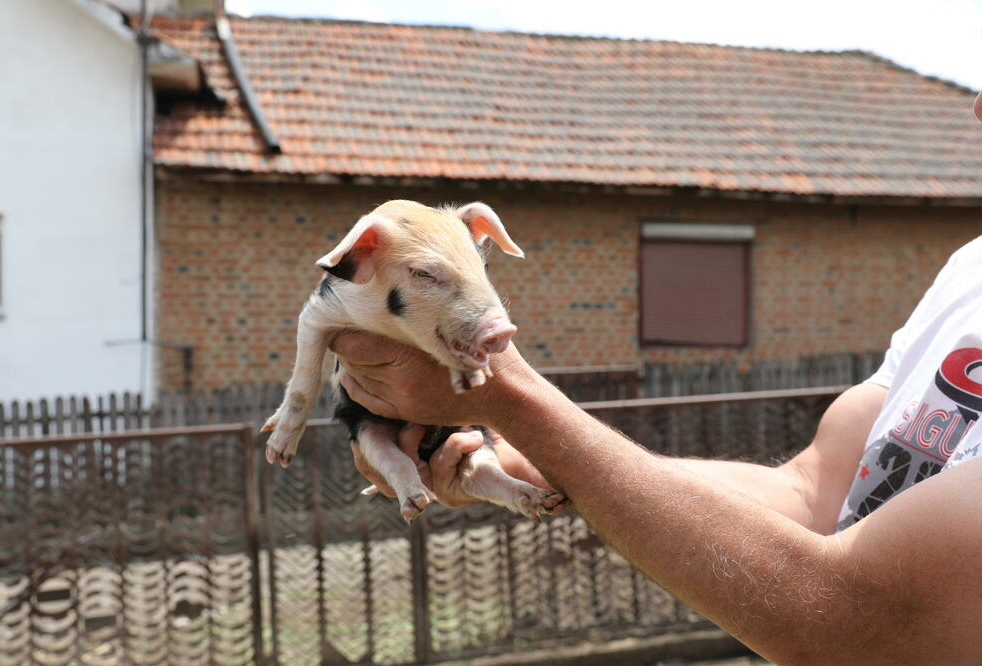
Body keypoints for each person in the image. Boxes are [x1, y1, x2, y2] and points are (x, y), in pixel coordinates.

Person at [331, 93, 982, 664]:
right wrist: (528, 459)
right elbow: (812, 492)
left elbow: (859, 622)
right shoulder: (968, 275)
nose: (977, 106)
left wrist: (510, 397)